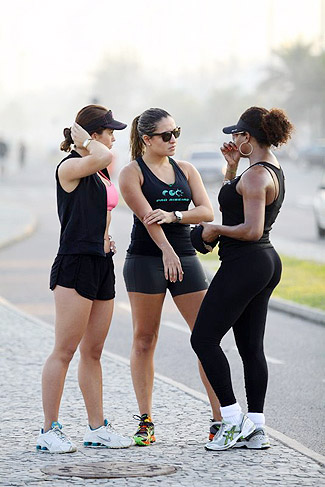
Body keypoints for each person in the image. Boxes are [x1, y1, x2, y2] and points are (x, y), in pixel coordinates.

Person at [191, 106, 294, 451]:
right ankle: (257, 427)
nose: (233, 140)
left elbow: (251, 229)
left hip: (246, 263)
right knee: (251, 348)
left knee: (203, 339)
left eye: (236, 134)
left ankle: (232, 421)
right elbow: (234, 203)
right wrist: (231, 167)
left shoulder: (255, 177)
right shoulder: (265, 170)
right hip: (263, 263)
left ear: (248, 137)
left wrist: (214, 229)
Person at [119, 107, 221, 446]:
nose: (174, 139)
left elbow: (206, 211)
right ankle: (145, 420)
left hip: (186, 257)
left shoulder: (187, 169)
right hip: (146, 259)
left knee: (206, 337)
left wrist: (177, 215)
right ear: (147, 139)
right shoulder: (131, 173)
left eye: (177, 132)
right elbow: (147, 217)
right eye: (166, 135)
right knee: (145, 339)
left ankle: (222, 418)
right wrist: (166, 249)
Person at [37, 105, 133, 453]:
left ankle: (97, 428)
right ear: (92, 135)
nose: (113, 137)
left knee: (93, 351)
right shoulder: (71, 167)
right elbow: (105, 154)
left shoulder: (100, 171)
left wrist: (106, 238)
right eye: (109, 131)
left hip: (101, 263)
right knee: (64, 350)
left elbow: (104, 210)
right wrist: (86, 142)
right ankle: (49, 430)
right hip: (75, 263)